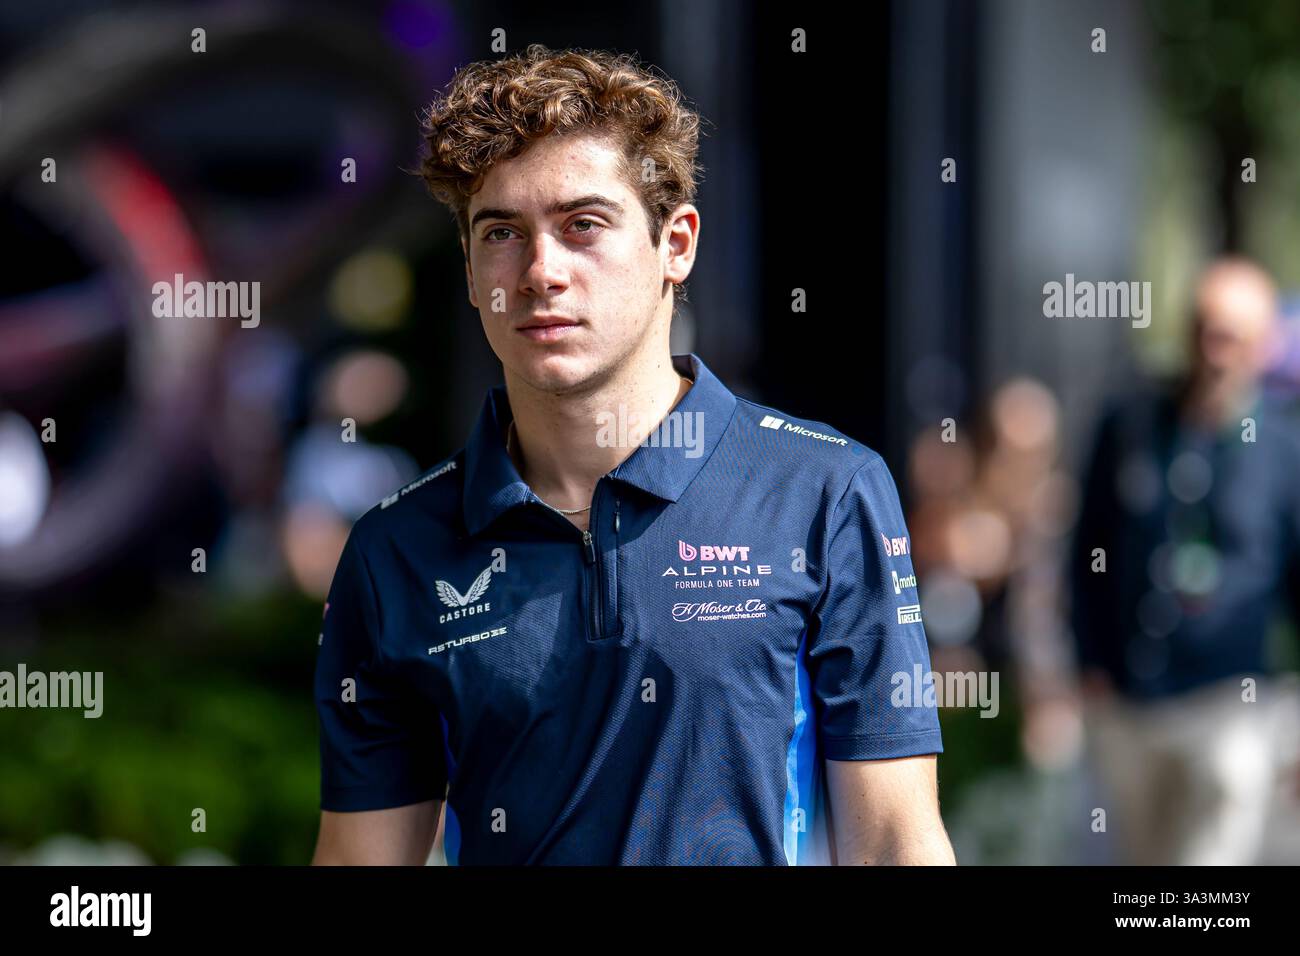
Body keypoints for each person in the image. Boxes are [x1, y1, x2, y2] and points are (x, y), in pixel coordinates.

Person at [310, 44, 953, 865]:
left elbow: (896, 842)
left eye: (584, 225)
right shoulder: (394, 550)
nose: (542, 272)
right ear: (471, 272)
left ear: (675, 244)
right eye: (502, 233)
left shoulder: (824, 490)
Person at [1069, 256, 1300, 864]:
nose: (1215, 350)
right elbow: (1085, 547)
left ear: (1264, 344)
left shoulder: (1283, 449)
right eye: (1205, 329)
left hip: (1229, 705)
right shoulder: (1132, 423)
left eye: (1233, 335)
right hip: (1129, 701)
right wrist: (1087, 660)